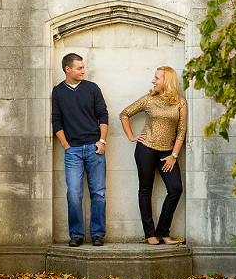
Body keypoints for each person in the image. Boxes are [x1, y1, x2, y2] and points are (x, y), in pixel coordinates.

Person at [119, 66, 187, 245]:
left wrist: (174, 155)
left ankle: (163, 232)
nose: (153, 81)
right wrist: (132, 136)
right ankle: (150, 234)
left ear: (168, 81)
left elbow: (181, 131)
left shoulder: (180, 102)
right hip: (146, 149)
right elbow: (124, 114)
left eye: (157, 78)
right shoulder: (149, 100)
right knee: (145, 190)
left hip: (167, 153)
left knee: (175, 189)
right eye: (154, 78)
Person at [51, 53, 109, 247]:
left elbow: (103, 114)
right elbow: (56, 120)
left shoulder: (92, 88)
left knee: (98, 193)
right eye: (79, 68)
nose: (83, 71)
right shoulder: (58, 91)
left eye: (84, 67)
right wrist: (66, 146)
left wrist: (101, 141)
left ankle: (98, 234)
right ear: (68, 69)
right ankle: (76, 234)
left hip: (95, 148)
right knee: (74, 194)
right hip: (73, 151)